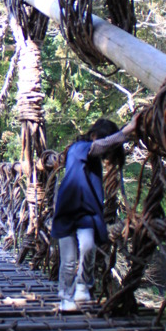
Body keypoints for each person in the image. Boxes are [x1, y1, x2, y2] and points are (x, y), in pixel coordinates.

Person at [52, 116, 136, 312]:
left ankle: (83, 285)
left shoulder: (95, 160)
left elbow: (101, 149)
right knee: (69, 259)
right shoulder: (79, 148)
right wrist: (125, 132)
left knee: (89, 246)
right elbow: (98, 147)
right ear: (94, 136)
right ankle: (65, 298)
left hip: (86, 213)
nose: (106, 154)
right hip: (67, 211)